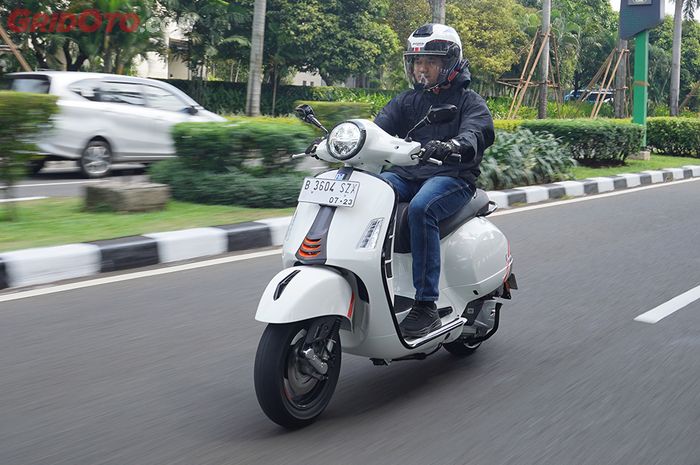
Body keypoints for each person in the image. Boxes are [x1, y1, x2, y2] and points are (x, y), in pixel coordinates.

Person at [374, 23, 495, 338]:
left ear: (449, 63)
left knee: (421, 208)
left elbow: (478, 131)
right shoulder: (408, 101)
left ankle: (426, 304)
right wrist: (346, 139)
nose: (421, 69)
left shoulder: (470, 101)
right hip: (409, 173)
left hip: (452, 175)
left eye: (429, 61)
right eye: (417, 61)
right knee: (372, 192)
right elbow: (378, 127)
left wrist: (455, 145)